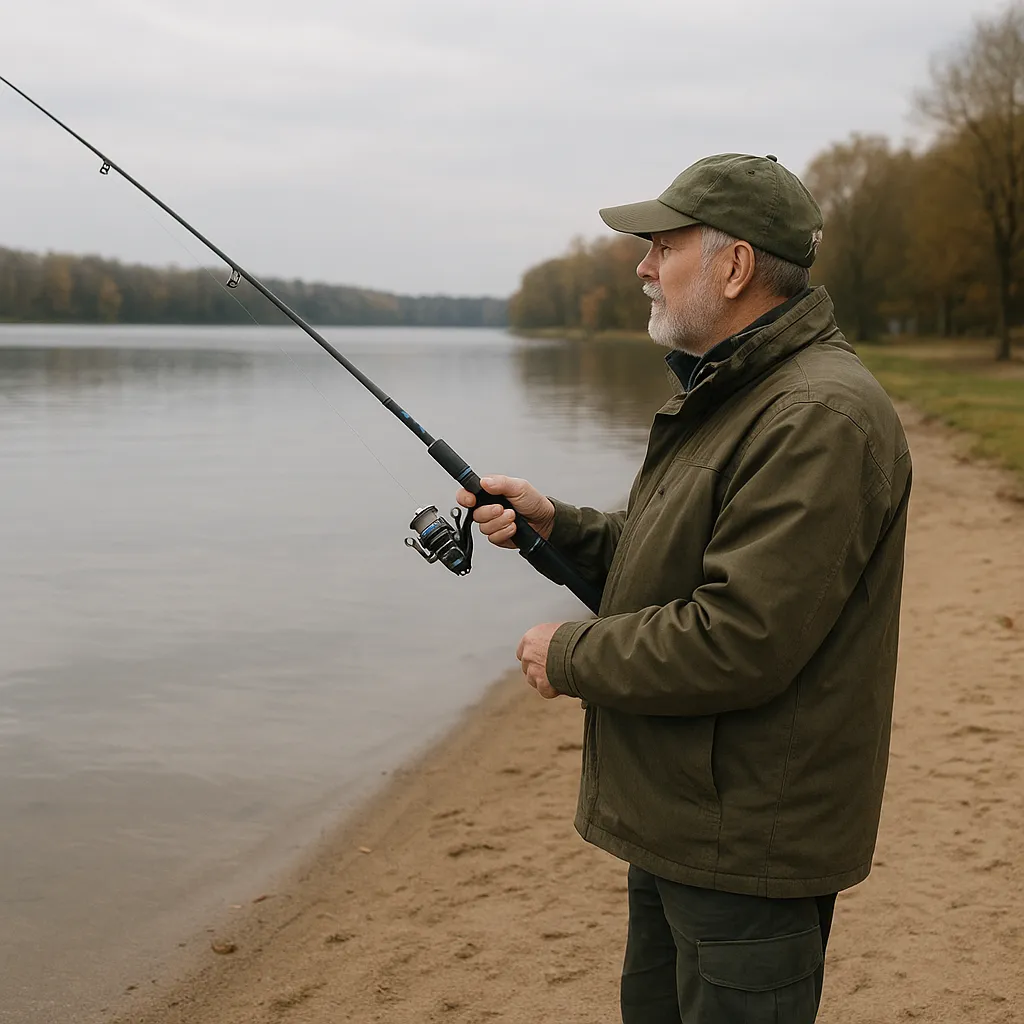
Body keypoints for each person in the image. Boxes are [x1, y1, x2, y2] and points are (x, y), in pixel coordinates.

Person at [457, 153, 912, 1024]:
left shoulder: (817, 416)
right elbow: (673, 557)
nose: (641, 267)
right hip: (687, 823)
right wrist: (559, 524)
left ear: (734, 266)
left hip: (746, 840)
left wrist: (570, 653)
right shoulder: (738, 394)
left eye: (662, 246)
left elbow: (740, 636)